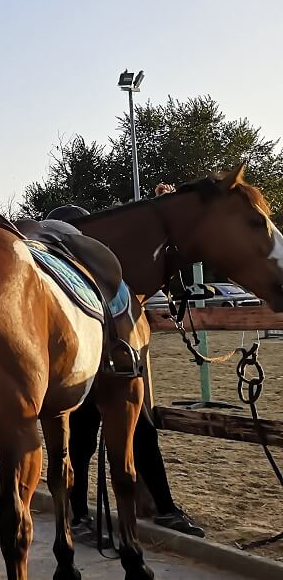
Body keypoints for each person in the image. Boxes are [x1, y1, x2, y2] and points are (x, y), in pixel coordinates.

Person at [44, 203, 204, 538]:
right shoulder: (70, 286)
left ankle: (161, 507)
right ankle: (83, 514)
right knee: (86, 440)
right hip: (89, 374)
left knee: (137, 435)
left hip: (112, 373)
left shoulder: (107, 279)